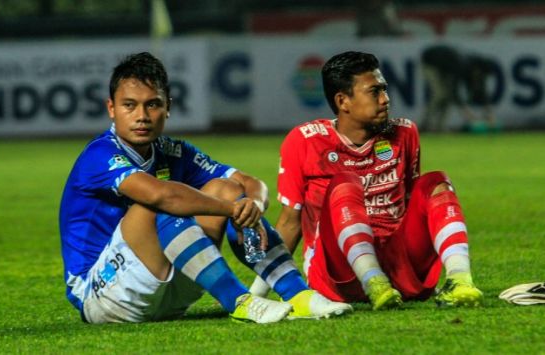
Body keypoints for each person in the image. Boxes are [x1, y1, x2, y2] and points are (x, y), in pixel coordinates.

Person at [59, 52, 351, 324]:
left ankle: (299, 295)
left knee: (227, 189)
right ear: (111, 108)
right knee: (157, 202)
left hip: (171, 289)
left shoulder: (172, 150)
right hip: (103, 294)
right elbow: (162, 195)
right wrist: (232, 209)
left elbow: (251, 184)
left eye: (153, 104)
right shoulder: (99, 155)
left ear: (168, 107)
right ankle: (240, 301)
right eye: (129, 105)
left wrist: (253, 206)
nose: (142, 116)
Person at [249, 51, 483, 310]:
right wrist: (255, 295)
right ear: (343, 101)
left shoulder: (404, 133)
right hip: (339, 275)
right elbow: (289, 223)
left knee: (436, 182)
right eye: (375, 92)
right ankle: (374, 282)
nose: (385, 100)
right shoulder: (305, 141)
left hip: (399, 268)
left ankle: (460, 280)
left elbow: (411, 204)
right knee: (346, 185)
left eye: (385, 90)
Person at [420, 44, 498, 133]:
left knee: (447, 97)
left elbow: (481, 91)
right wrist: (467, 113)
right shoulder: (462, 65)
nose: (480, 78)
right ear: (477, 70)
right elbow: (454, 91)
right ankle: (423, 124)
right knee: (440, 94)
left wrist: (489, 113)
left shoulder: (476, 70)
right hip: (430, 62)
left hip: (444, 67)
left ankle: (440, 127)